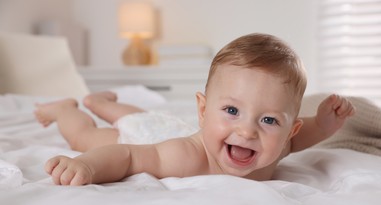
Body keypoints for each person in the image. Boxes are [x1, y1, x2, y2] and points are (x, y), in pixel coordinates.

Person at [35, 33, 355, 186]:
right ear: (203, 110)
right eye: (231, 110)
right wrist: (88, 167)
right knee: (86, 136)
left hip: (163, 123)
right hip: (146, 137)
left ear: (289, 129)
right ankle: (67, 108)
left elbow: (300, 140)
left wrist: (325, 125)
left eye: (269, 119)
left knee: (144, 117)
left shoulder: (274, 146)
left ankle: (101, 103)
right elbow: (130, 156)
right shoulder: (185, 156)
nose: (247, 131)